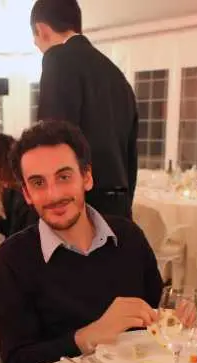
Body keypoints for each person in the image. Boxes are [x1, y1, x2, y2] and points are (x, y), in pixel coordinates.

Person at [0, 120, 164, 363]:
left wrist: (179, 321)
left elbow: (157, 315)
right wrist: (87, 337)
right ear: (26, 194)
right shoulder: (12, 259)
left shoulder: (129, 237)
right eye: (38, 183)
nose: (53, 195)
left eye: (64, 177)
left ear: (87, 177)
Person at [31, 0, 138, 219]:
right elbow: (130, 153)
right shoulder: (117, 76)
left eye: (35, 40)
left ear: (41, 30)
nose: (37, 46)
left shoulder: (58, 58)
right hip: (119, 206)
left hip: (80, 207)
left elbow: (50, 141)